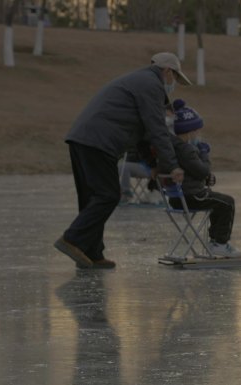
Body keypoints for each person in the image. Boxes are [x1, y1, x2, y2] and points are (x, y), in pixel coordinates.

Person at [54, 52, 190, 269]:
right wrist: (172, 165)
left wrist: (153, 166)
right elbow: (157, 129)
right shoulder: (151, 85)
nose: (173, 84)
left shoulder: (139, 80)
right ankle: (72, 239)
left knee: (92, 198)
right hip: (99, 142)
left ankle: (92, 253)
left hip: (83, 138)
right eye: (175, 77)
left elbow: (143, 133)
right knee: (108, 195)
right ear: (167, 71)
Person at [169, 99, 241, 258]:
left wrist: (206, 177)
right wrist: (204, 154)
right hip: (192, 196)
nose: (198, 135)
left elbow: (195, 173)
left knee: (218, 201)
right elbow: (202, 171)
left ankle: (215, 241)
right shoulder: (186, 150)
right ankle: (220, 243)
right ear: (189, 131)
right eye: (197, 131)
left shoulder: (172, 147)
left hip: (178, 196)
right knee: (227, 202)